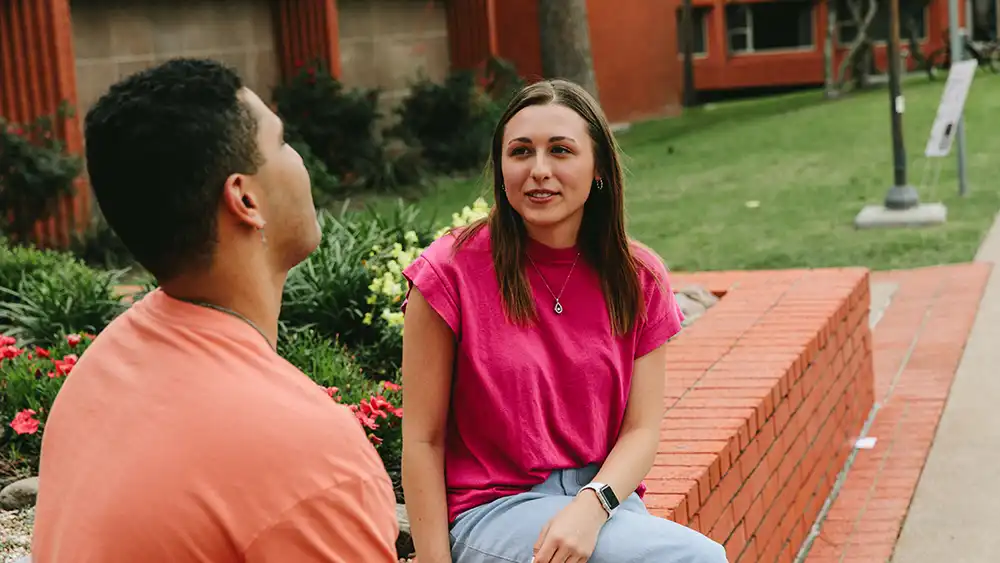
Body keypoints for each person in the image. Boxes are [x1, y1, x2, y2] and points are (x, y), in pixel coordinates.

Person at [31, 58, 399, 562]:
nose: (300, 159)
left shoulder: (101, 369)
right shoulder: (307, 455)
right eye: (284, 141)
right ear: (245, 199)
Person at [399, 79, 729, 563]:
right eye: (520, 152)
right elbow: (423, 440)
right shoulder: (449, 271)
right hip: (494, 510)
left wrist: (592, 506)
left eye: (560, 151)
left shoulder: (637, 277)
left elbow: (641, 431)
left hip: (607, 505)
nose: (539, 171)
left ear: (597, 168)